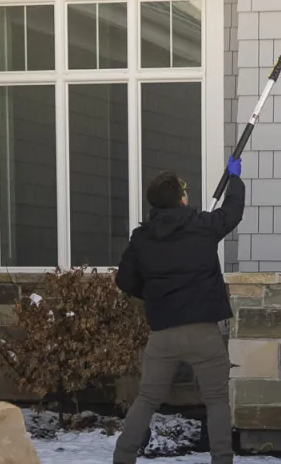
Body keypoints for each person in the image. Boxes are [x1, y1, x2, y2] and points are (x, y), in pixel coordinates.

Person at [114, 158, 245, 464]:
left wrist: (154, 294)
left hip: (163, 334)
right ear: (182, 198)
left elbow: (124, 280)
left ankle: (122, 458)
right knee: (216, 401)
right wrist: (235, 179)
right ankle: (222, 460)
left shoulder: (142, 238)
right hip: (204, 333)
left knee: (147, 399)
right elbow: (233, 212)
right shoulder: (202, 226)